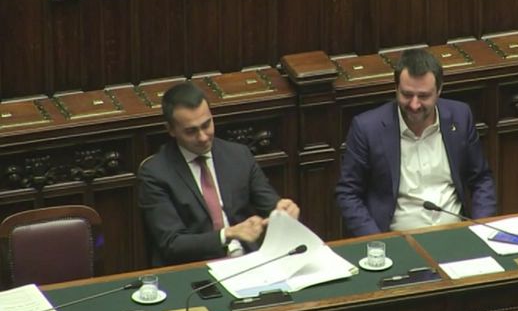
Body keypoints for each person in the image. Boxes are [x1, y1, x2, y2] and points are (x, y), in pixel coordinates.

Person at [336, 48, 497, 236]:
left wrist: (480, 229)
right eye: (407, 94)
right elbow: (348, 193)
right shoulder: (367, 128)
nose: (414, 105)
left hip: (456, 234)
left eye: (423, 96)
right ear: (396, 88)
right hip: (397, 240)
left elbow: (481, 179)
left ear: (439, 91)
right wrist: (378, 242)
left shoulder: (460, 116)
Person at [138, 82, 300, 266]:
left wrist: (283, 211)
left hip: (249, 261)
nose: (203, 137)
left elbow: (270, 205)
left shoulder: (238, 155)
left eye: (206, 125)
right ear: (171, 129)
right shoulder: (155, 173)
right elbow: (172, 244)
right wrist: (227, 234)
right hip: (195, 268)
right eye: (191, 131)